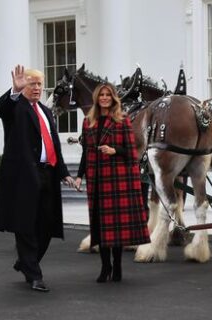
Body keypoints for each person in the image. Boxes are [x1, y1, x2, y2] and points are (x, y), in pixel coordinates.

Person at [0, 65, 76, 292]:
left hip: (48, 173)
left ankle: (25, 262)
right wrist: (14, 91)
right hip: (24, 176)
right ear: (23, 85)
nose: (37, 88)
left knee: (47, 225)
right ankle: (34, 275)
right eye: (32, 84)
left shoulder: (46, 112)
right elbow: (1, 108)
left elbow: (54, 145)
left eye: (39, 84)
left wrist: (64, 173)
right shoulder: (15, 107)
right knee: (25, 225)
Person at [74, 83, 150, 283]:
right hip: (96, 179)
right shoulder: (87, 122)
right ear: (97, 98)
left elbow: (132, 152)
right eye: (102, 95)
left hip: (116, 180)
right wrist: (79, 176)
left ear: (113, 98)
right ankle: (104, 266)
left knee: (115, 227)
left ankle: (116, 267)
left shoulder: (122, 120)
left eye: (108, 95)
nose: (105, 98)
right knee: (99, 226)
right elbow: (85, 152)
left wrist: (114, 150)